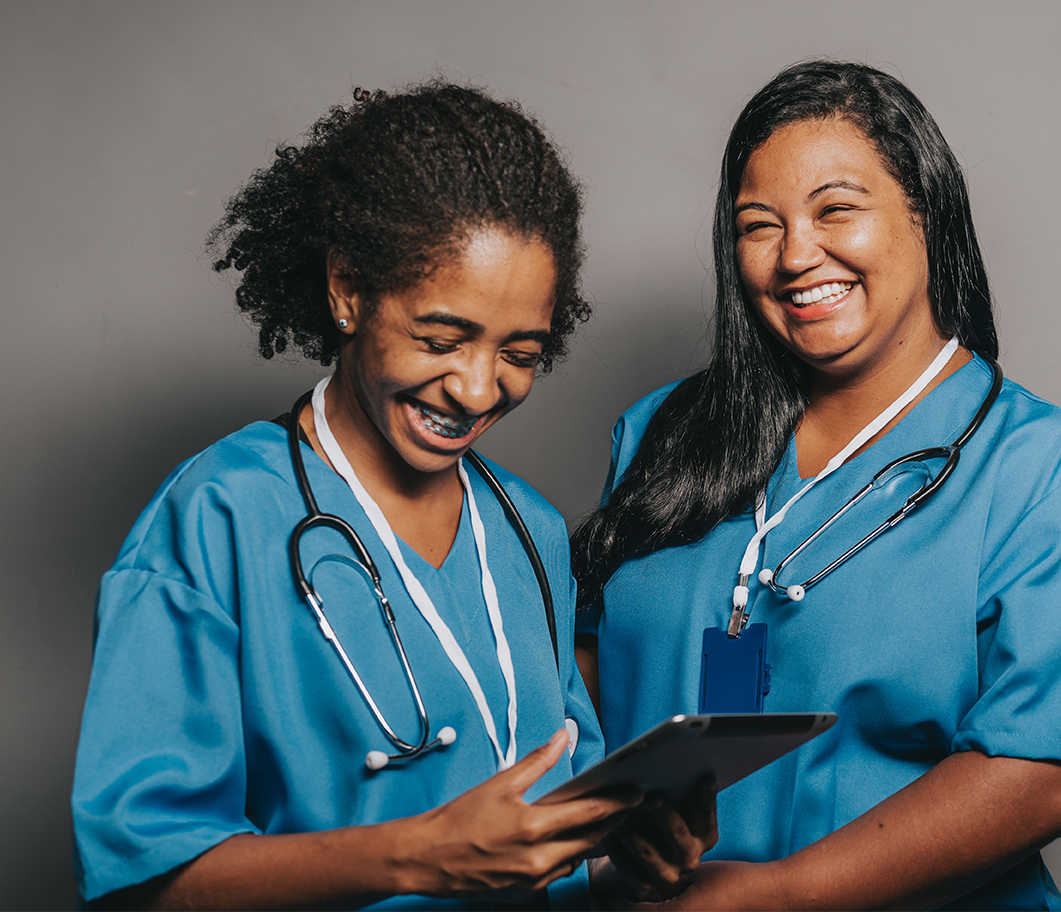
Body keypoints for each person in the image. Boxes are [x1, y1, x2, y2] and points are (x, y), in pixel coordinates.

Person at [72, 82, 708, 910]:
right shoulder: (217, 520)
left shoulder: (530, 531)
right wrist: (416, 860)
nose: (479, 389)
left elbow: (564, 833)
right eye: (442, 339)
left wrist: (630, 857)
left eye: (521, 351)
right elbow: (138, 884)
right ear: (348, 289)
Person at [572, 60, 1061, 910]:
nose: (797, 255)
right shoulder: (661, 431)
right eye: (757, 225)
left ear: (928, 213)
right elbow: (584, 680)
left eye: (836, 209)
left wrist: (782, 895)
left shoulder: (1038, 472)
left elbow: (1050, 770)